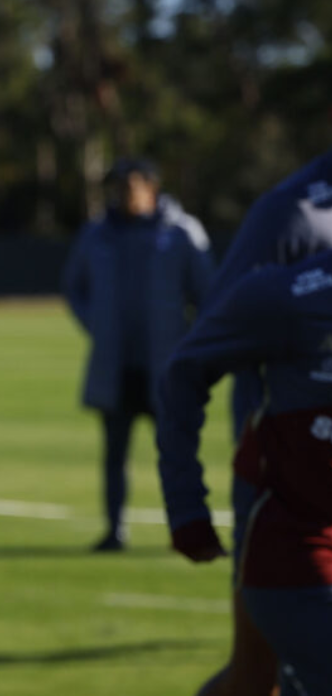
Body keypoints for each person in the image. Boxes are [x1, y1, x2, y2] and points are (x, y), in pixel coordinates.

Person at [156, 147, 332, 696]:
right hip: (285, 498)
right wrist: (187, 502)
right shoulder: (292, 220)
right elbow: (195, 358)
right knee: (258, 675)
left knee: (253, 677)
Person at [62, 157, 215, 551]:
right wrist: (96, 324)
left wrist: (188, 342)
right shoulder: (97, 234)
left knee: (175, 453)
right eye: (117, 187)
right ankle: (114, 530)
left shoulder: (181, 233)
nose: (123, 194)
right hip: (115, 365)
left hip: (165, 366)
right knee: (115, 455)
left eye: (130, 185)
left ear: (151, 187)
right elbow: (74, 287)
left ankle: (183, 529)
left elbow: (208, 295)